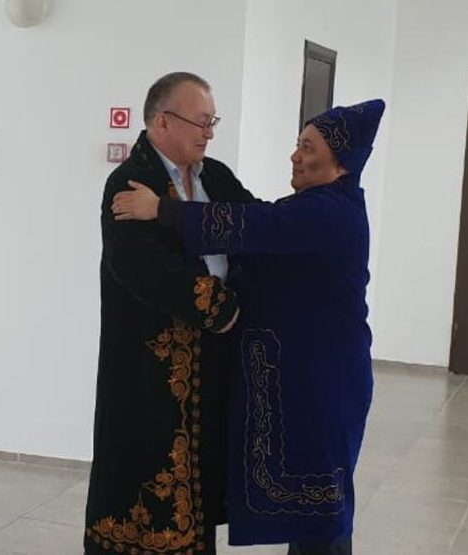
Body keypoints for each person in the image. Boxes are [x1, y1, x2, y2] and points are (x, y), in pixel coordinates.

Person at [112, 99, 386, 555]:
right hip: (313, 374)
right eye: (297, 145)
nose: (294, 156)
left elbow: (256, 225)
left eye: (307, 148)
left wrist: (160, 209)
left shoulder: (329, 210)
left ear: (341, 163)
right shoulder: (317, 204)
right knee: (315, 505)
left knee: (323, 505)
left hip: (326, 380)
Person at [84, 72, 255, 554]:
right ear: (162, 121)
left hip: (210, 362)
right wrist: (221, 307)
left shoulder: (214, 176)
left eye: (213, 122)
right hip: (149, 369)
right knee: (147, 489)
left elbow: (249, 225)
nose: (209, 133)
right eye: (201, 122)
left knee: (199, 487)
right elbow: (142, 269)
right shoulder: (127, 182)